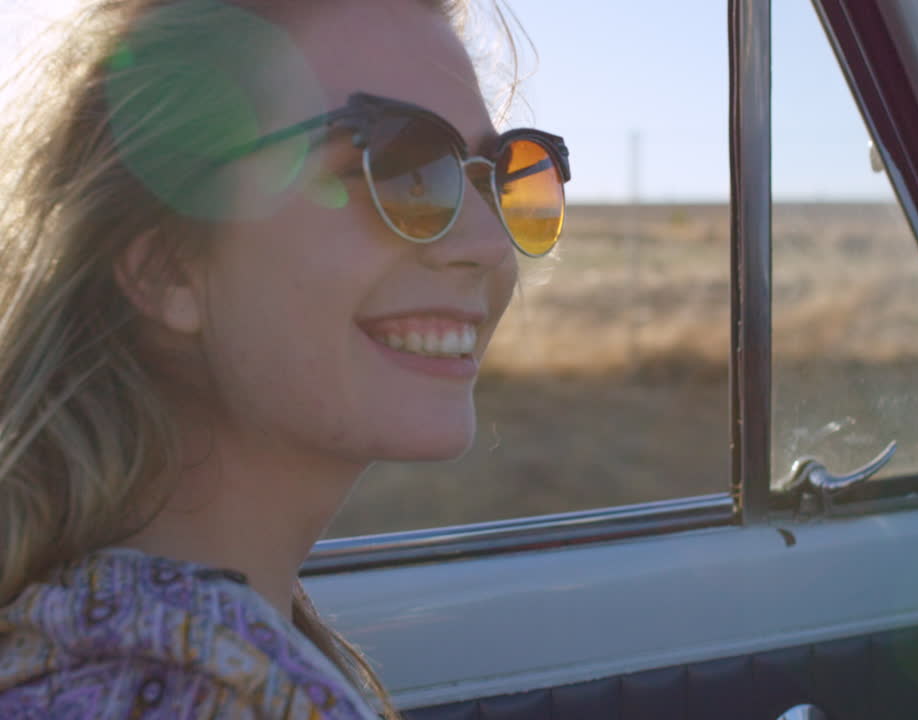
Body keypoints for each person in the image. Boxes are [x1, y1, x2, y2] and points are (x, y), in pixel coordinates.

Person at [0, 0, 569, 716]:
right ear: (169, 267)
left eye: (501, 176)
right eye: (399, 165)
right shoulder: (188, 691)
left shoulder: (126, 634)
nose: (489, 243)